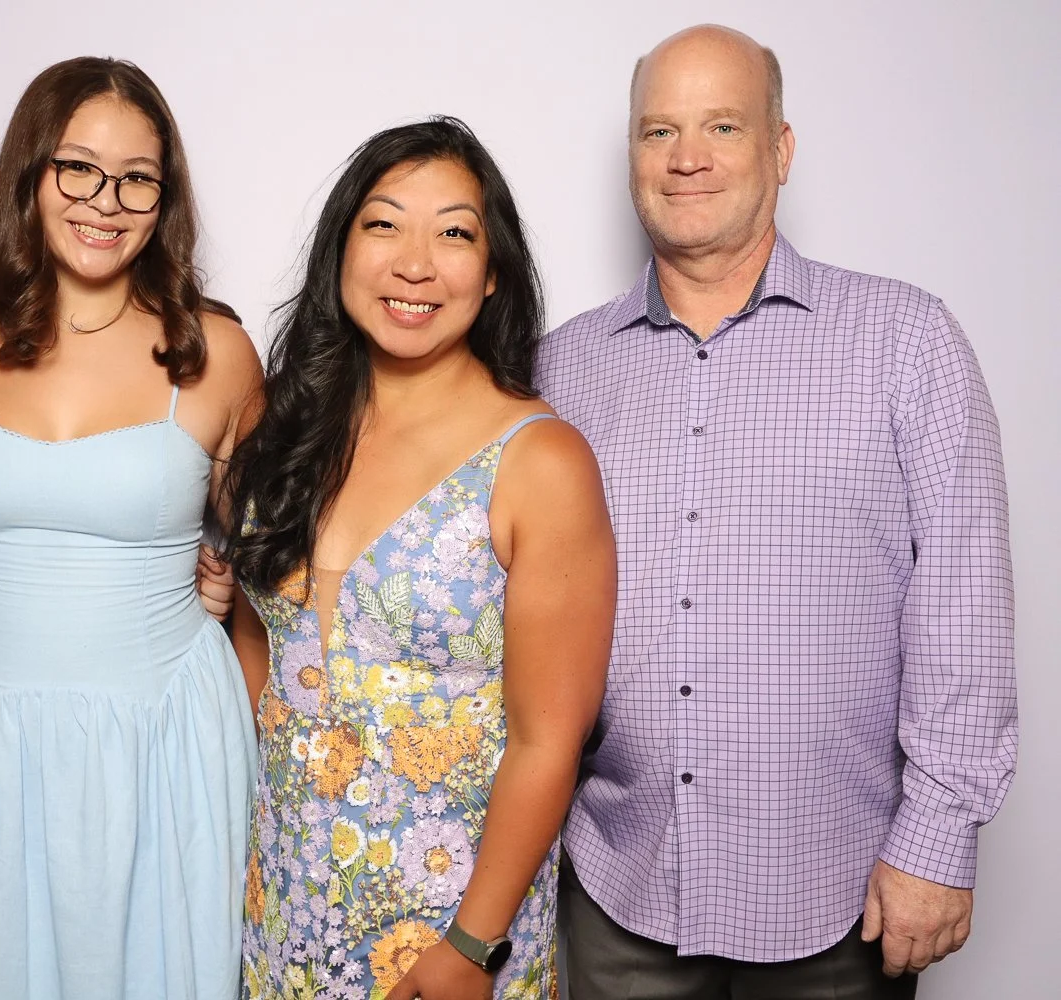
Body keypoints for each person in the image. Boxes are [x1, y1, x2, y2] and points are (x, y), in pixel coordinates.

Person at [536, 24, 1018, 999]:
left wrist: (939, 834)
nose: (687, 158)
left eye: (722, 124)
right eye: (657, 129)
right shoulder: (560, 367)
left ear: (781, 148)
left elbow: (964, 599)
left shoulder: (907, 343)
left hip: (840, 894)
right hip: (617, 885)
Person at [0, 57, 262, 999]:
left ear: (164, 196)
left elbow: (277, 567)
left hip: (161, 746)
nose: (108, 201)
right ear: (33, 171)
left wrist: (223, 586)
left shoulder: (215, 351)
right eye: (79, 169)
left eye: (138, 177)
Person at [225, 117, 615, 1000]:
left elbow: (550, 739)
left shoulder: (541, 461)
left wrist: (472, 947)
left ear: (492, 273)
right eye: (384, 224)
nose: (414, 263)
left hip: (446, 930)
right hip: (284, 906)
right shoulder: (283, 423)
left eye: (454, 233)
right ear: (341, 249)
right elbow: (265, 647)